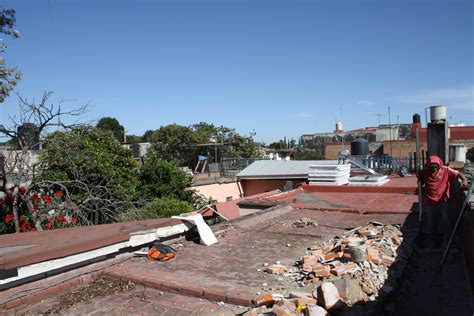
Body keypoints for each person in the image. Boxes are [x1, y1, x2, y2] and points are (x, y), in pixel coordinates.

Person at [417, 155, 469, 247]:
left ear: (439, 166)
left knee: (445, 221)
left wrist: (464, 180)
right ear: (428, 166)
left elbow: (458, 173)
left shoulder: (445, 170)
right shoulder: (424, 172)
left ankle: (447, 240)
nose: (433, 169)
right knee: (431, 222)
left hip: (443, 201)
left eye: (435, 167)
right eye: (431, 167)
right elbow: (420, 182)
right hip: (430, 202)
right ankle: (434, 240)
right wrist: (419, 180)